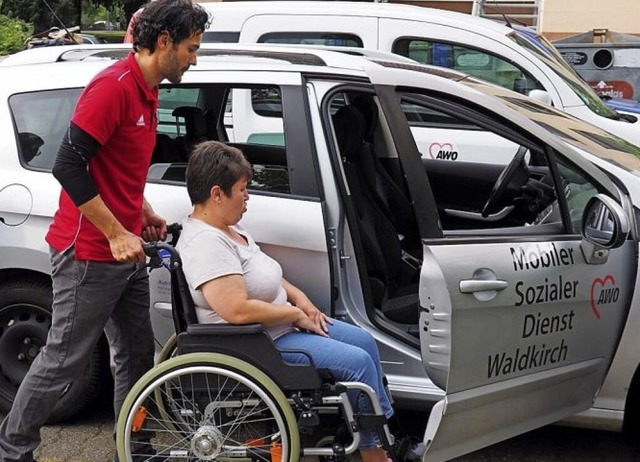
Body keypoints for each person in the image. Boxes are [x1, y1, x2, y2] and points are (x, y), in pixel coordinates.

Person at [0, 1, 210, 461]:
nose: (195, 58)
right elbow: (68, 165)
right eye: (192, 48)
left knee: (135, 356)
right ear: (163, 43)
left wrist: (143, 211)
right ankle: (12, 450)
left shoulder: (148, 91)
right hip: (89, 253)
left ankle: (130, 445)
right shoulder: (113, 88)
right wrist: (117, 232)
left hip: (123, 252)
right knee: (62, 360)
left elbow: (115, 169)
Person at [176, 141, 394, 462]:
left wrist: (299, 298)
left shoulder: (229, 228)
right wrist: (292, 314)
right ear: (216, 194)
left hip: (281, 327)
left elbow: (266, 275)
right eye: (242, 189)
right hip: (261, 343)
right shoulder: (206, 244)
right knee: (358, 364)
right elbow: (236, 310)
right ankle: (373, 451)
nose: (247, 196)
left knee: (365, 342)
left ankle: (379, 429)